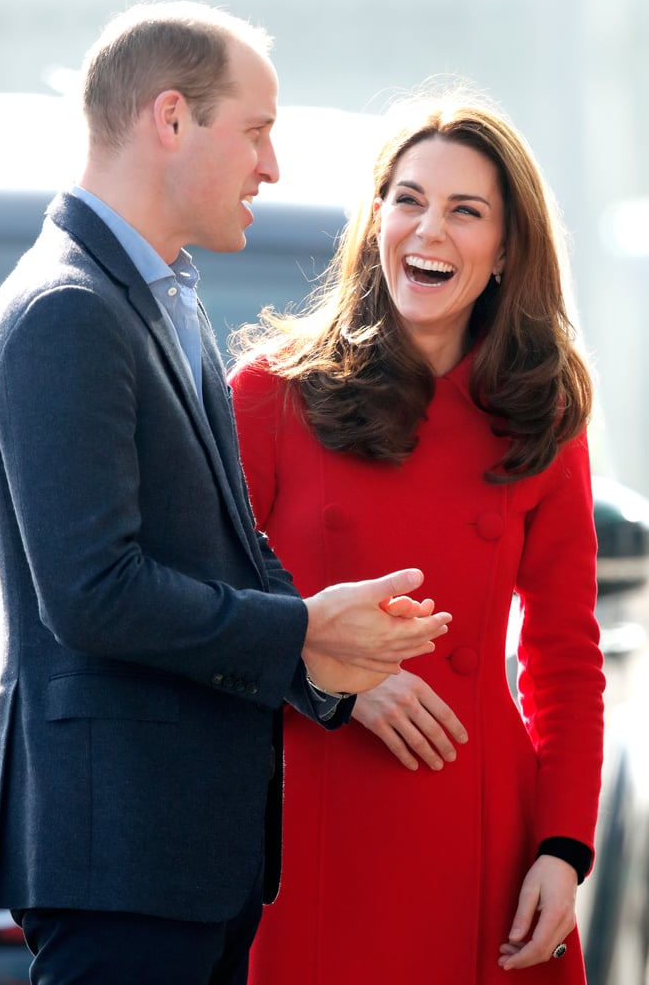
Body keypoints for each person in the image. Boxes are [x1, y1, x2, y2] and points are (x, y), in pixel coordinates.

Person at [0, 3, 454, 985]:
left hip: (180, 861)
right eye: (259, 132)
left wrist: (331, 661)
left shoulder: (163, 299)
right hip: (124, 862)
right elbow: (95, 589)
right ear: (172, 119)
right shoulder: (69, 310)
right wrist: (302, 632)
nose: (271, 168)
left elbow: (219, 543)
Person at [229, 90, 605, 983]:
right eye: (408, 199)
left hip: (484, 832)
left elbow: (563, 652)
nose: (428, 229)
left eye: (465, 210)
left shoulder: (541, 413)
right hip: (312, 828)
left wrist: (564, 848)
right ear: (376, 220)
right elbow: (211, 606)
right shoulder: (272, 394)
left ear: (506, 249)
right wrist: (337, 683)